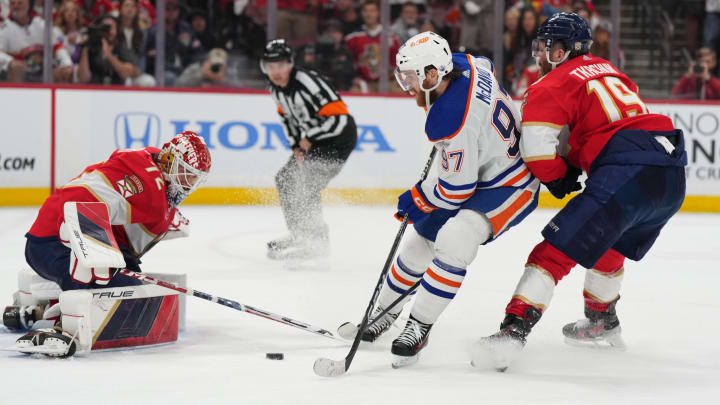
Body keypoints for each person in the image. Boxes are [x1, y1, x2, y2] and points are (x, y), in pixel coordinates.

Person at [475, 13, 687, 371]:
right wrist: (577, 159)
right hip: (670, 171)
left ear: (563, 51)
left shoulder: (550, 84)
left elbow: (538, 151)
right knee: (611, 240)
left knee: (552, 252)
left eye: (546, 48)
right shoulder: (608, 68)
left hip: (627, 172)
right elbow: (612, 123)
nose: (539, 55)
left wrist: (559, 177)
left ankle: (512, 332)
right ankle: (602, 318)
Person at [360, 31, 540, 368]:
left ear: (432, 73)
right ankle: (382, 313)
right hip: (483, 167)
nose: (406, 84)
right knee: (419, 243)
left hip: (511, 183)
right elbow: (483, 66)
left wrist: (419, 198)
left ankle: (418, 326)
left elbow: (457, 188)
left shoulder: (450, 118)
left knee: (455, 238)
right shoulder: (465, 63)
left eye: (411, 77)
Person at [4, 131, 211, 356]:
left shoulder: (149, 157)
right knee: (125, 294)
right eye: (187, 174)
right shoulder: (153, 196)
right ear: (170, 161)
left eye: (195, 177)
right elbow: (134, 226)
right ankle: (62, 326)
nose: (190, 184)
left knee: (124, 282)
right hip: (54, 241)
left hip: (52, 233)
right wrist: (94, 251)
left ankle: (34, 310)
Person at [261, 39, 357, 261]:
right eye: (270, 66)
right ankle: (300, 235)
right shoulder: (275, 88)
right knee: (285, 178)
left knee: (306, 183)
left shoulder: (309, 83)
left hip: (337, 139)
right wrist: (296, 145)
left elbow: (340, 120)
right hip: (313, 141)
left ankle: (316, 245)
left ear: (290, 64)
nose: (275, 72)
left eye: (280, 65)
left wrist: (308, 139)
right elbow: (287, 118)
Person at [0, 0, 73, 82]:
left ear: (28, 4)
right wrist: (10, 61)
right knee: (16, 68)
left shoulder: (41, 24)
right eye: (13, 3)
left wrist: (67, 64)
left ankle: (56, 95)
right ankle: (16, 94)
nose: (16, 6)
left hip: (42, 69)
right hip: (20, 71)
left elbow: (57, 47)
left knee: (63, 72)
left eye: (20, 3)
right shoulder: (4, 28)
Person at [77, 14, 139, 85]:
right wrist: (85, 47)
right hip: (94, 90)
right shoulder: (91, 47)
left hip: (117, 90)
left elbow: (126, 74)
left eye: (110, 28)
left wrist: (109, 55)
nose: (108, 32)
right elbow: (83, 78)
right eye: (104, 28)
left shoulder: (121, 46)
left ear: (117, 30)